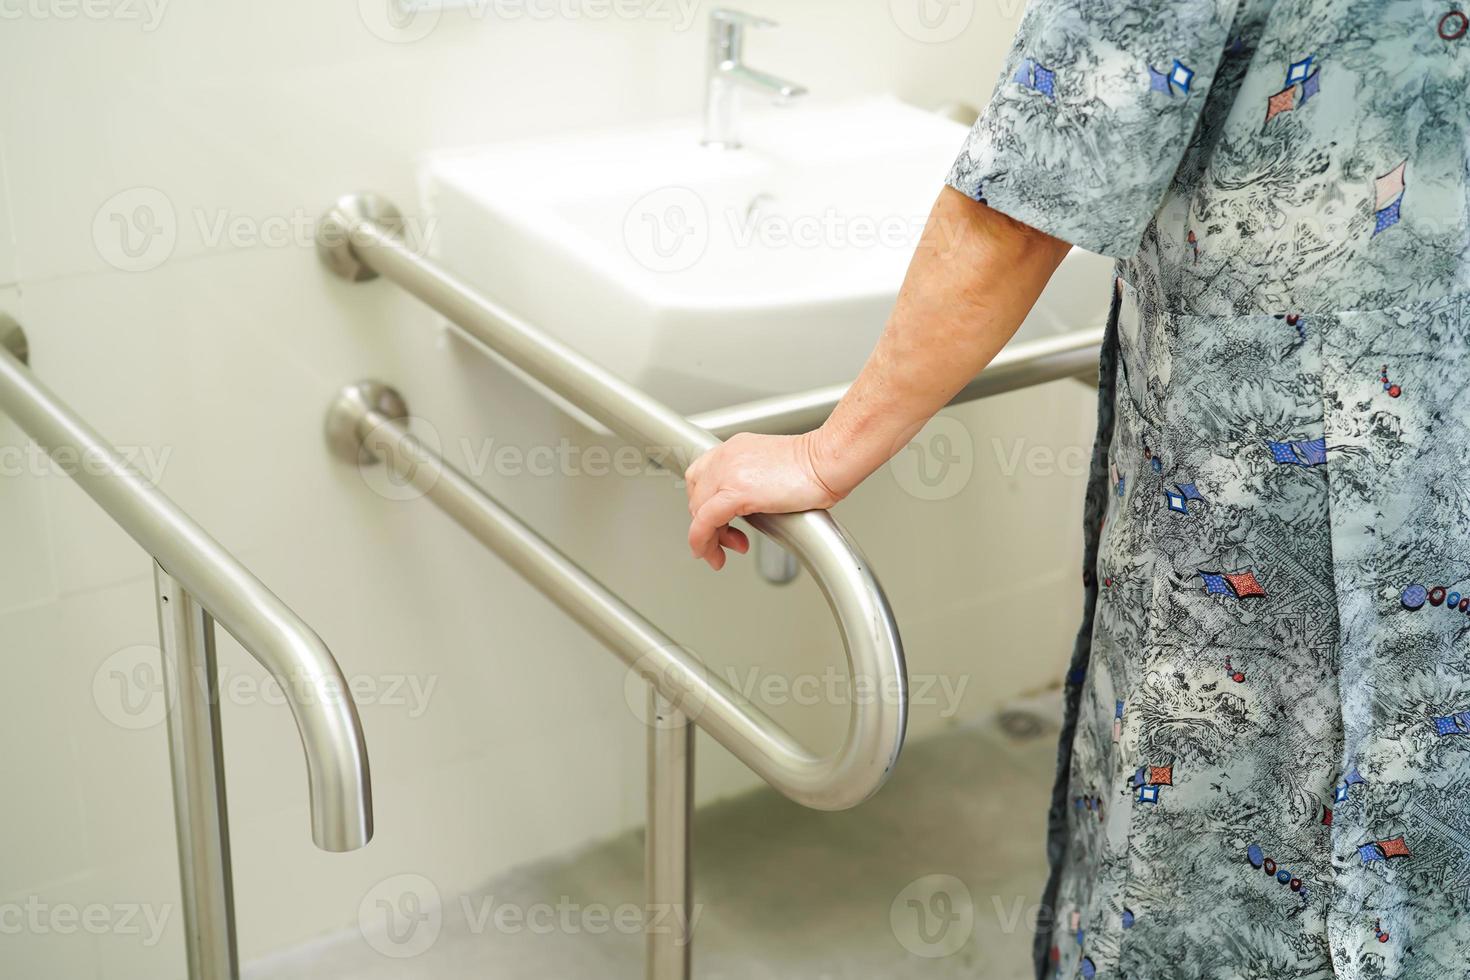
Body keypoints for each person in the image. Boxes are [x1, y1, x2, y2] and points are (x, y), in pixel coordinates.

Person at [684, 0, 1470, 976]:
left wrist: (825, 454)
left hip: (1265, 502)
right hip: (1440, 443)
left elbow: (1021, 205)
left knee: (1222, 861)